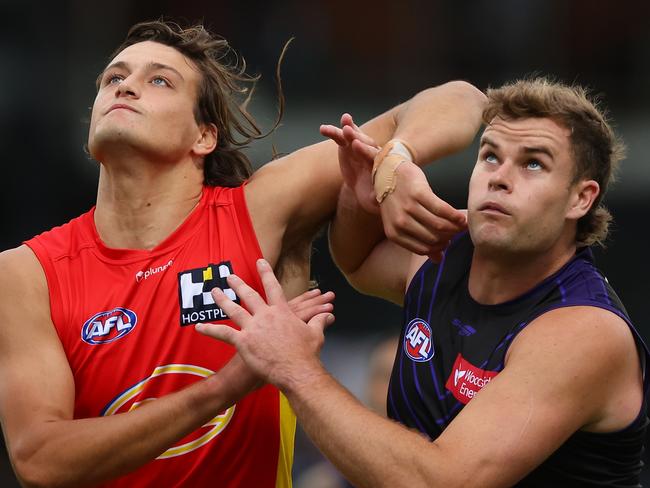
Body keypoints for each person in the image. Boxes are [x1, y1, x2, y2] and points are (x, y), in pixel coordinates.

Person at [0, 19, 487, 488]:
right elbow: (40, 460)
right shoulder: (26, 273)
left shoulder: (260, 211)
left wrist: (394, 161)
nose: (124, 88)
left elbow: (464, 99)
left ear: (203, 136)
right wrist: (229, 384)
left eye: (160, 81)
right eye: (114, 78)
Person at [199, 78, 649, 487]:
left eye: (533, 164)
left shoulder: (584, 330)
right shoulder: (450, 252)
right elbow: (361, 260)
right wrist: (366, 193)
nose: (500, 177)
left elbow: (441, 482)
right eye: (490, 155)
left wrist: (295, 369)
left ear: (580, 198)